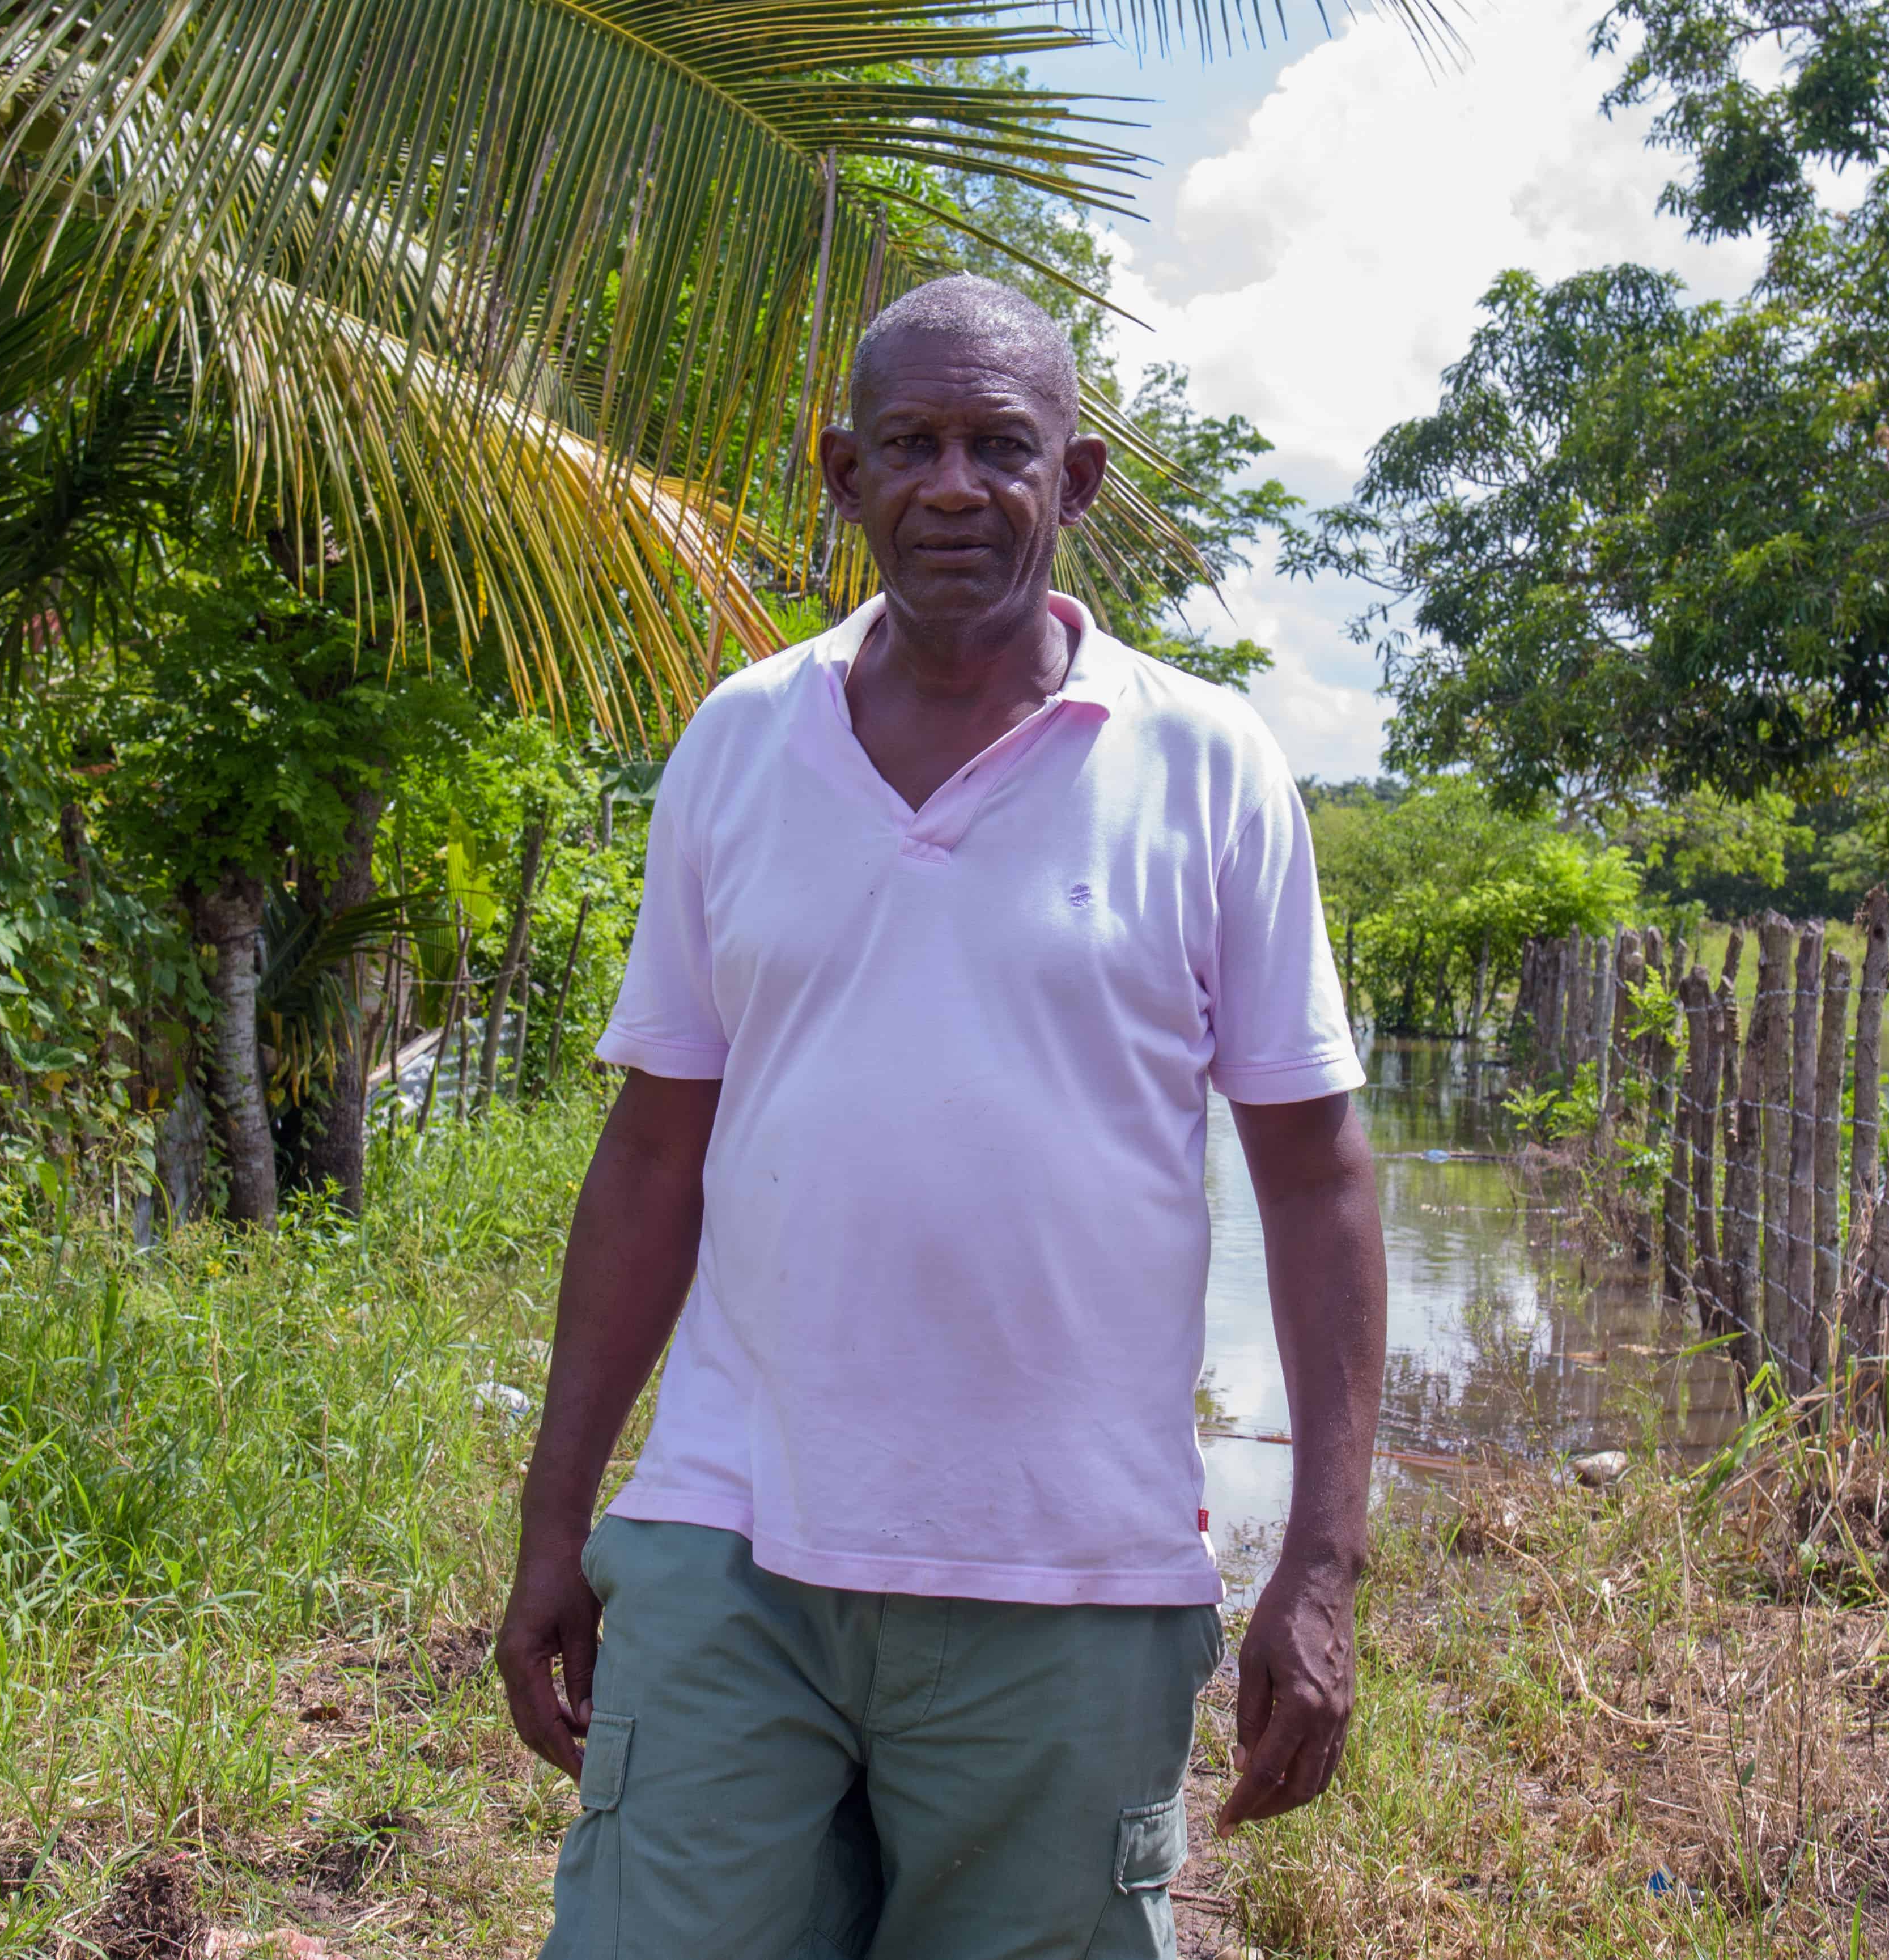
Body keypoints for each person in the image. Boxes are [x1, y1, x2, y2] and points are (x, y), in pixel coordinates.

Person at [496, 273, 1388, 1959]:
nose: (954, 485)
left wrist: (1323, 1564)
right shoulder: (741, 744)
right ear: (843, 474)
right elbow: (655, 1150)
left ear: (1081, 482)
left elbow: (1317, 1172)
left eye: (1003, 444)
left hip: (1067, 1576)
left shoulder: (1206, 766)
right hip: (728, 1543)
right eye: (910, 444)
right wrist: (559, 1518)